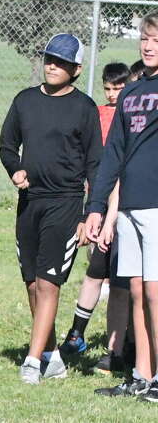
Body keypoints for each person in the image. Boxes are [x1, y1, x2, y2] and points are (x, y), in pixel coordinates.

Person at [0, 33, 102, 385]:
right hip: (30, 203)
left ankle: (32, 360)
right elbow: (7, 144)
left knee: (49, 282)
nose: (52, 66)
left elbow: (95, 164)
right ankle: (52, 354)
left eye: (60, 62)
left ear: (76, 69)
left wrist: (90, 213)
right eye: (49, 59)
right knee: (32, 282)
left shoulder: (84, 107)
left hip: (66, 203)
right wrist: (15, 169)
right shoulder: (25, 100)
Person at [86, 12, 158, 401]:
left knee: (155, 293)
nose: (148, 46)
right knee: (134, 291)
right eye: (145, 39)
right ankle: (142, 375)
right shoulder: (130, 94)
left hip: (156, 206)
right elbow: (113, 151)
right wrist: (97, 206)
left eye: (156, 40)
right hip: (128, 204)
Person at [57, 62, 132, 370]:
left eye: (119, 88)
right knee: (95, 269)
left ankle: (122, 345)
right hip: (99, 200)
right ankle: (77, 333)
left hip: (122, 205)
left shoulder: (130, 116)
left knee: (119, 281)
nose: (112, 94)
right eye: (108, 88)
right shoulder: (98, 114)